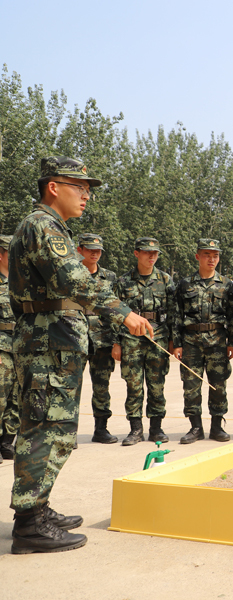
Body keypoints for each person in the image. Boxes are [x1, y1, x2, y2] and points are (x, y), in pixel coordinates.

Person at [8, 156, 152, 553]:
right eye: (79, 186)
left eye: (88, 188)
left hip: (52, 343)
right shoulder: (43, 226)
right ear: (53, 187)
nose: (86, 195)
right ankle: (29, 525)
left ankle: (36, 507)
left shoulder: (50, 227)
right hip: (47, 344)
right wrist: (124, 313)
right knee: (46, 428)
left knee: (54, 428)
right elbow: (74, 280)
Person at [172, 239, 233, 443]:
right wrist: (177, 343)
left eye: (215, 255)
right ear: (198, 256)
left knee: (218, 385)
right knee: (191, 385)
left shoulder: (226, 284)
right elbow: (176, 315)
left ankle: (217, 427)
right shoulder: (184, 284)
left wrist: (231, 342)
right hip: (191, 341)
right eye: (207, 254)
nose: (211, 259)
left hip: (217, 341)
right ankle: (195, 428)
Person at [113, 237, 175, 446]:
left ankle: (156, 428)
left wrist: (174, 341)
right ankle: (135, 429)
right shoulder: (123, 282)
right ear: (136, 253)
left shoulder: (165, 280)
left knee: (157, 385)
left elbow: (174, 313)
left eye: (155, 253)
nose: (152, 257)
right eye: (147, 252)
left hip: (158, 337)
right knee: (134, 385)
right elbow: (114, 315)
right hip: (131, 340)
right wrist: (117, 342)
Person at [74, 233, 119, 444]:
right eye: (90, 249)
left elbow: (117, 309)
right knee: (70, 387)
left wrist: (117, 341)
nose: (95, 253)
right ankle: (68, 433)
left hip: (103, 340)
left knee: (102, 387)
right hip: (74, 338)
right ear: (79, 250)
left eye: (98, 250)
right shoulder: (70, 276)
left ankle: (101, 429)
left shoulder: (109, 277)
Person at [0, 234, 18, 461]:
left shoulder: (20, 282)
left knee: (16, 396)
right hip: (1, 346)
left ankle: (7, 441)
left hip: (20, 345)